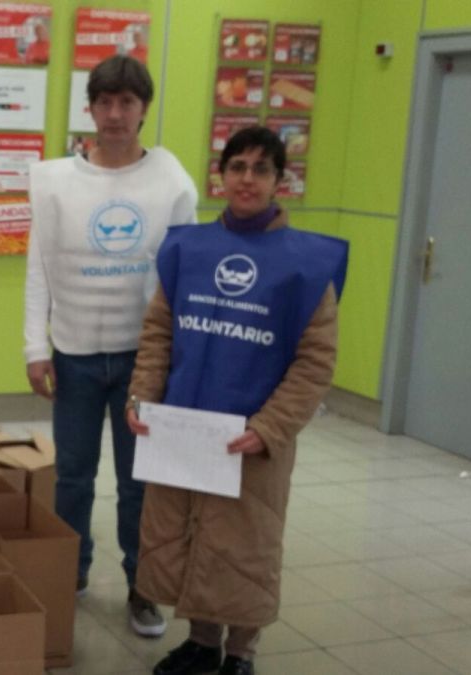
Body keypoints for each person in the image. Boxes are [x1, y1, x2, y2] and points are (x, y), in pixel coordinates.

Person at [125, 127, 347, 675]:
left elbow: (315, 362)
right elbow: (158, 334)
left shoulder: (306, 265)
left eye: (261, 169)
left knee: (246, 546)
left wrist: (269, 428)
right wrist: (141, 396)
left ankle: (241, 652)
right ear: (221, 175)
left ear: (280, 181)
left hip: (253, 438)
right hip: (184, 428)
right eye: (238, 167)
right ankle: (202, 642)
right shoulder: (186, 249)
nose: (248, 179)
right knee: (193, 536)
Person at [23, 54, 198, 638]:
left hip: (141, 361)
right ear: (90, 109)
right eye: (104, 102)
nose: (115, 114)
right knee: (72, 476)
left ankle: (142, 587)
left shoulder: (173, 182)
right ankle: (69, 573)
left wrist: (177, 361)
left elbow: (183, 279)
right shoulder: (54, 182)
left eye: (127, 102)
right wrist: (35, 347)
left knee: (138, 483)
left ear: (144, 109)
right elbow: (38, 268)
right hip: (72, 356)